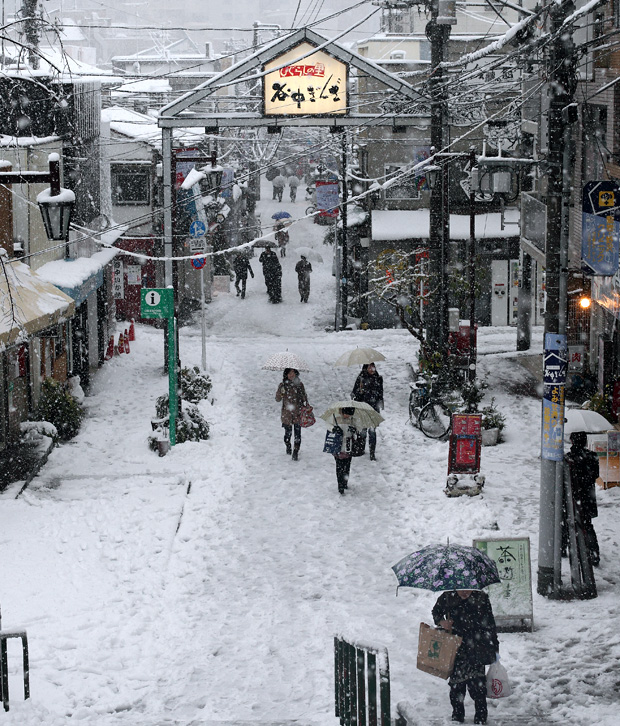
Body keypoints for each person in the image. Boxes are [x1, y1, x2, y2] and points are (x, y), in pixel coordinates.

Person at [432, 589, 499, 725]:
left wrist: (494, 646)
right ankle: (457, 715)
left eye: (468, 588)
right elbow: (436, 612)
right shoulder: (448, 597)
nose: (465, 592)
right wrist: (442, 622)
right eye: (461, 589)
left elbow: (490, 624)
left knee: (478, 686)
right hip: (456, 648)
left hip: (477, 647)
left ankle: (480, 717)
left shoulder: (481, 598)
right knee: (457, 685)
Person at [563, 430, 600, 566]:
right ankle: (594, 553)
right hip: (587, 497)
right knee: (588, 525)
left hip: (571, 496)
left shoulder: (568, 458)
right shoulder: (593, 456)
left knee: (567, 522)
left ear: (572, 441)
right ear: (585, 441)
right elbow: (595, 475)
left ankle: (563, 548)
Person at [351, 363, 384, 461]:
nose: (372, 369)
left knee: (372, 431)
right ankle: (360, 449)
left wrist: (379, 403)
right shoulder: (361, 378)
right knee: (363, 430)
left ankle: (372, 453)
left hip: (373, 409)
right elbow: (355, 393)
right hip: (363, 407)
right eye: (370, 367)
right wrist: (360, 393)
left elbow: (380, 393)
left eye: (373, 367)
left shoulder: (378, 378)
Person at [275, 368, 309, 461]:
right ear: (286, 374)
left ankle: (296, 451)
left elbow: (304, 398)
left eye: (293, 373)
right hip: (287, 414)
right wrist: (280, 392)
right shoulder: (282, 385)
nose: (291, 375)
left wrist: (301, 395)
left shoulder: (299, 384)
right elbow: (277, 399)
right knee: (287, 434)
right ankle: (288, 445)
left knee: (298, 434)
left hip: (298, 413)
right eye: (289, 373)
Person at [330, 407, 359, 495]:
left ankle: (345, 482)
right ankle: (340, 485)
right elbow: (329, 426)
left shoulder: (353, 419)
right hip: (338, 446)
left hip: (348, 446)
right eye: (346, 414)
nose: (347, 416)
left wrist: (355, 430)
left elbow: (358, 428)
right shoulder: (336, 417)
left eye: (349, 415)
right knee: (339, 467)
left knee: (347, 466)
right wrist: (334, 429)